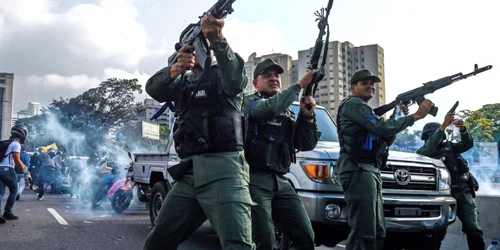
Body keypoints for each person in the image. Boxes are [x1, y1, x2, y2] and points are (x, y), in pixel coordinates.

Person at [143, 12, 255, 250]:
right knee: (158, 241)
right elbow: (152, 88)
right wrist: (173, 70)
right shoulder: (182, 82)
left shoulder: (223, 73)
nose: (200, 49)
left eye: (201, 44)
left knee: (238, 246)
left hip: (226, 172)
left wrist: (218, 40)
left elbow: (235, 81)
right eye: (195, 45)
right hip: (190, 174)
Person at [336, 69, 434, 249]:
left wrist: (398, 115)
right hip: (357, 169)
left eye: (372, 84)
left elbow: (386, 138)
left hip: (369, 169)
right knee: (364, 231)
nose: (370, 87)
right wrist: (416, 116)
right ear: (353, 88)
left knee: (378, 231)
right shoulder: (353, 104)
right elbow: (381, 128)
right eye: (365, 83)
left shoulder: (365, 111)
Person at [243, 59, 319, 249]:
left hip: (282, 181)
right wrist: (300, 85)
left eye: (277, 75)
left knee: (305, 235)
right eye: (267, 76)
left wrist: (308, 116)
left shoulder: (288, 112)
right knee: (264, 240)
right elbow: (269, 108)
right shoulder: (249, 103)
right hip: (254, 180)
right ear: (255, 83)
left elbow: (305, 144)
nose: (273, 79)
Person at [417, 114, 485, 249]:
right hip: (439, 197)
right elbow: (426, 151)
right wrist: (442, 127)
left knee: (473, 228)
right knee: (435, 232)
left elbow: (467, 144)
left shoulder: (451, 147)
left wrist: (463, 130)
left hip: (462, 191)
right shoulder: (424, 152)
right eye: (433, 135)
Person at [0, 125, 32, 223]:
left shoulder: (6, 143)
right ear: (22, 134)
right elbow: (17, 159)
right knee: (14, 190)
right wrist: (25, 171)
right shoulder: (16, 144)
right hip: (7, 170)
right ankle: (7, 212)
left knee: (0, 192)